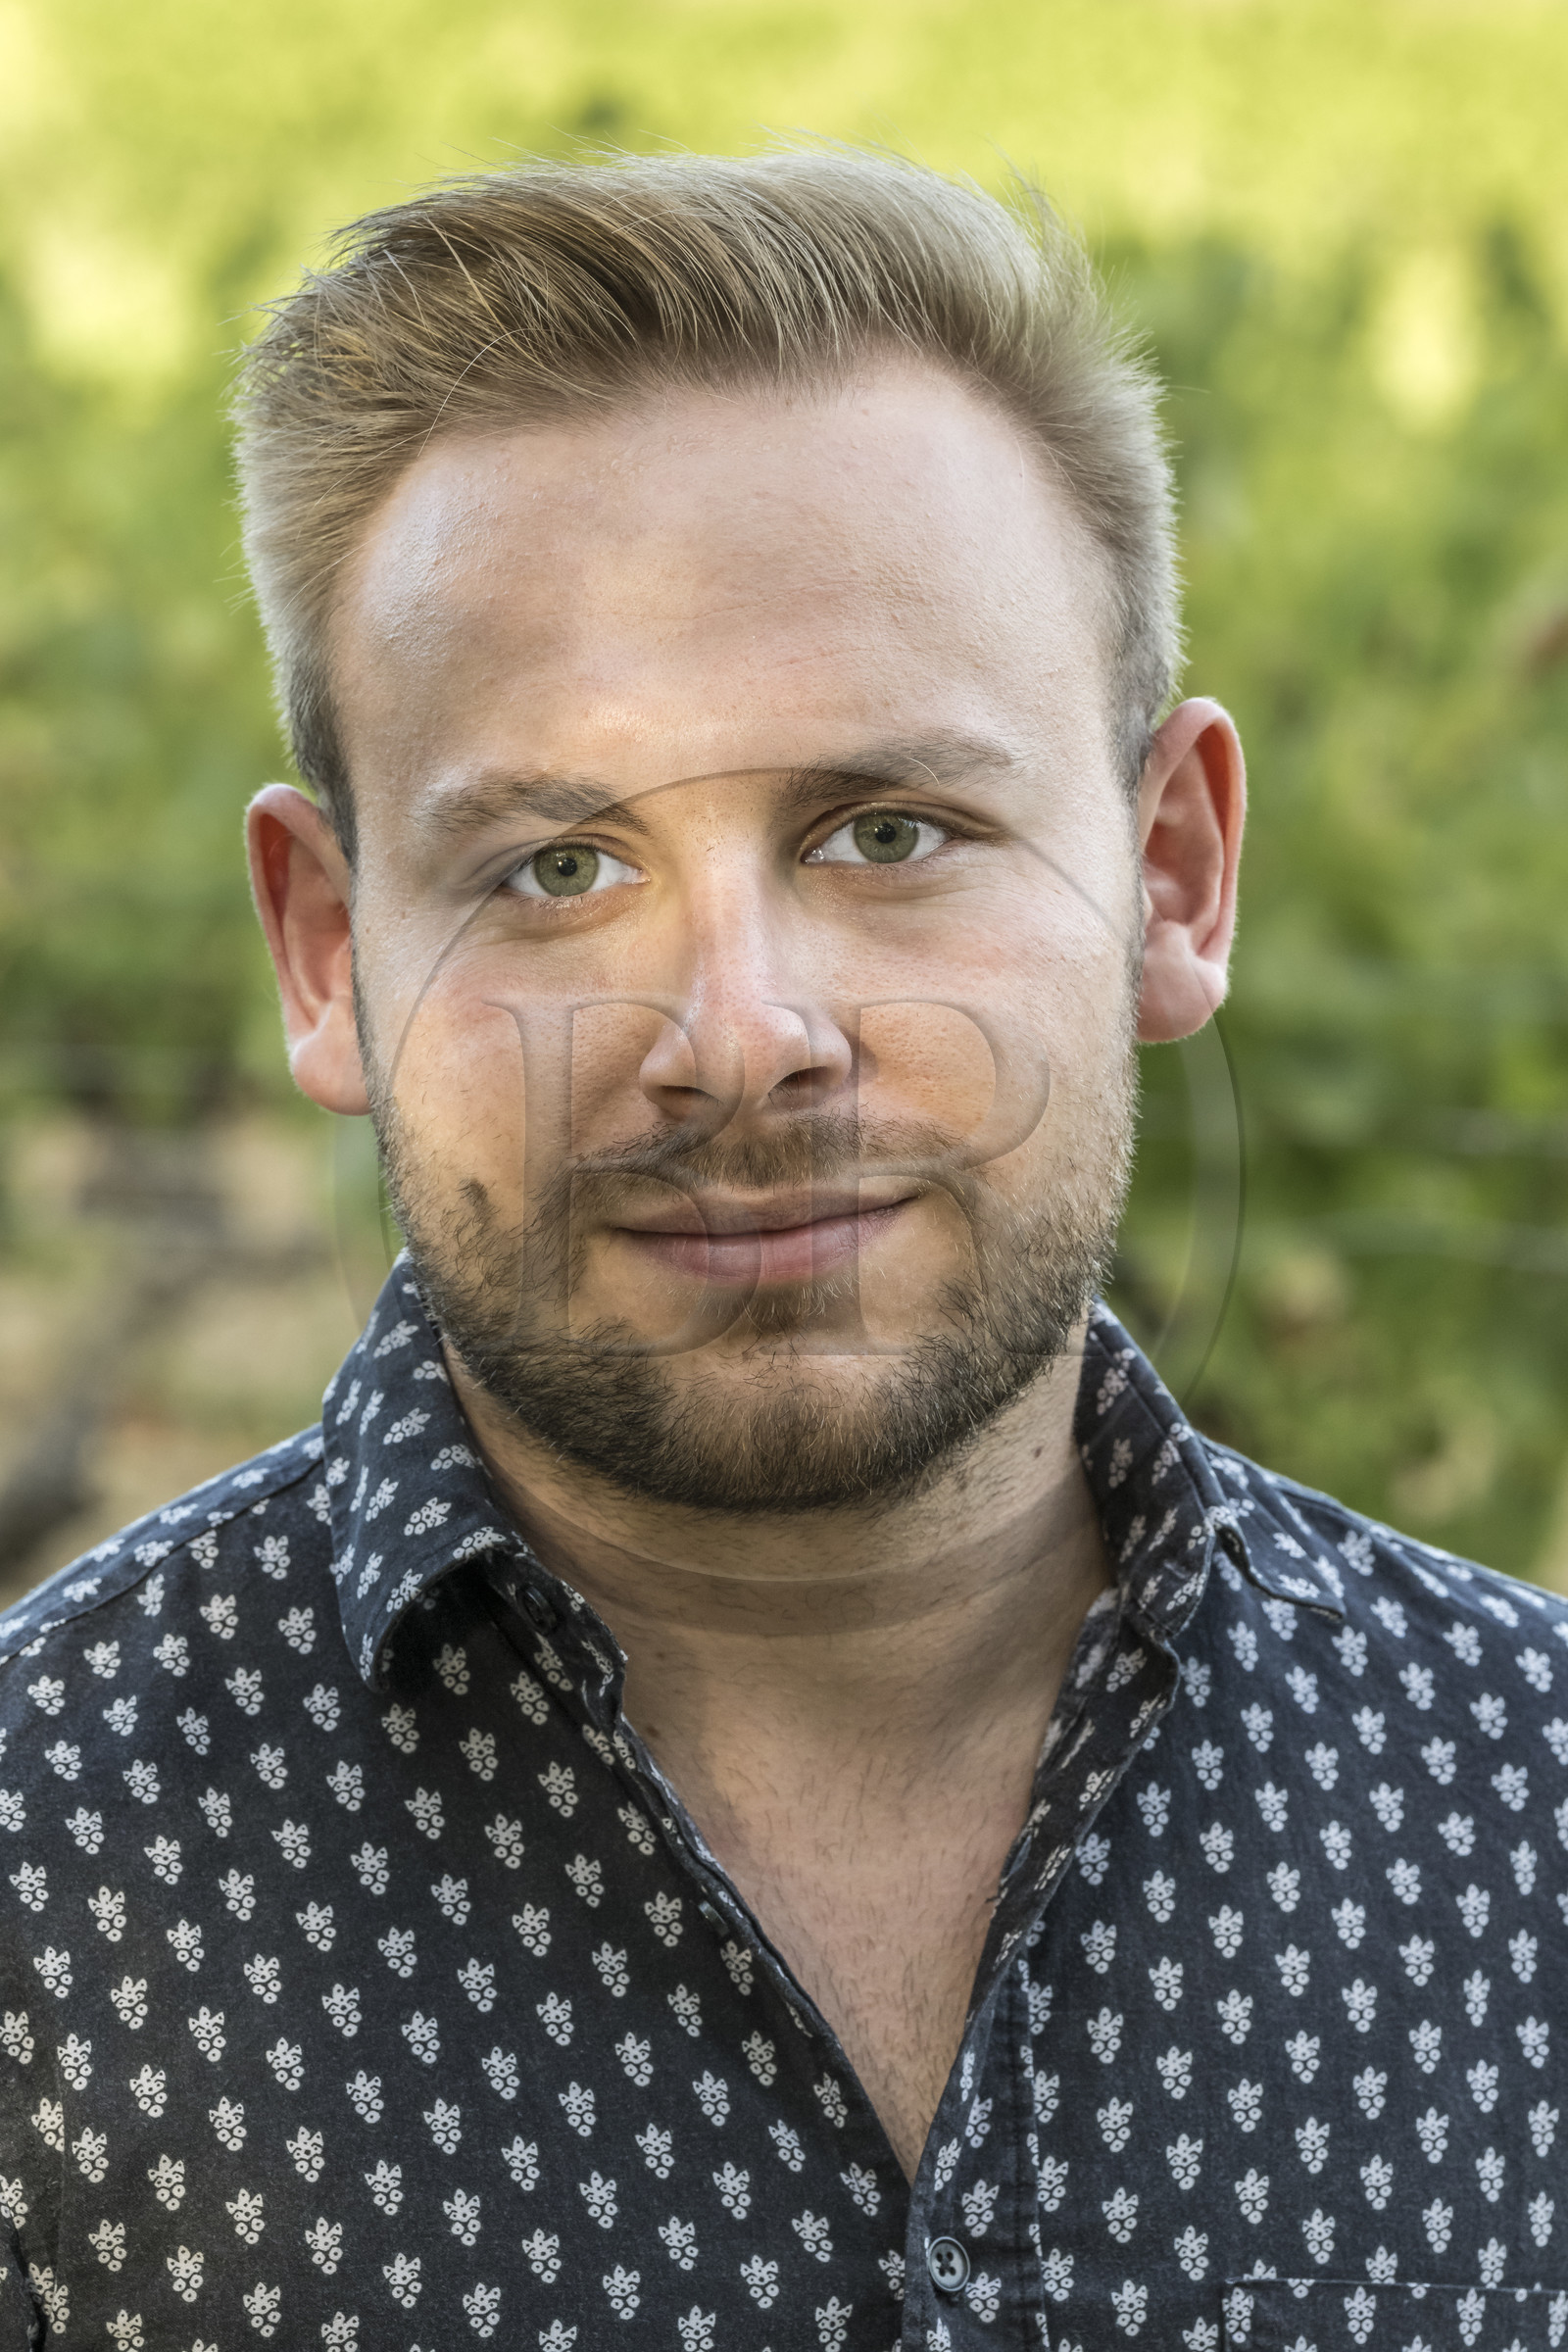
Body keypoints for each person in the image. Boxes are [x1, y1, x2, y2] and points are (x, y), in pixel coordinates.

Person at [1, 149, 1563, 2352]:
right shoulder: (40, 1915)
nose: (738, 1039)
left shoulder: (1529, 1825)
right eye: (553, 867)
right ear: (330, 951)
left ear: (1174, 870)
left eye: (891, 831)